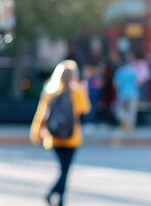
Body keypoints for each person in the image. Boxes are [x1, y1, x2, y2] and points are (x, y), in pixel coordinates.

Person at [30, 60, 91, 206]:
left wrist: (36, 133)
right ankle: (56, 195)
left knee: (63, 169)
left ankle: (58, 196)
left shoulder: (50, 91)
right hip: (72, 137)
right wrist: (84, 91)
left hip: (53, 136)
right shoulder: (77, 91)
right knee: (65, 169)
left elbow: (41, 114)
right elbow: (85, 109)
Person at [113, 56, 139, 130]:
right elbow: (137, 82)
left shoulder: (120, 71)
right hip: (133, 93)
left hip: (122, 93)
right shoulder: (133, 71)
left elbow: (115, 84)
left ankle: (124, 120)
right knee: (131, 110)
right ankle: (130, 125)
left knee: (120, 109)